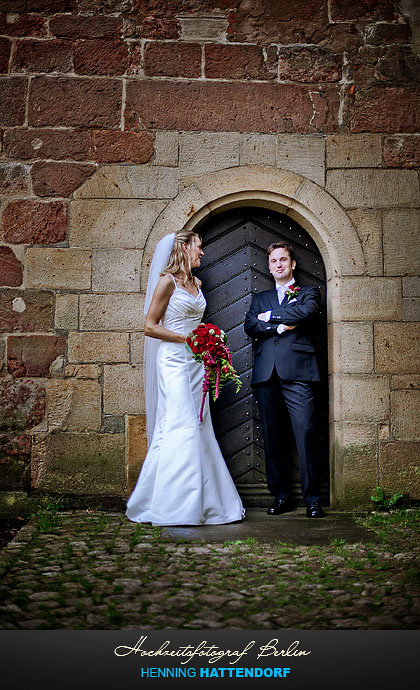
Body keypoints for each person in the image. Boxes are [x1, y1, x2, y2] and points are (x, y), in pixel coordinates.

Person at [126, 229, 245, 526]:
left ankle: (206, 503)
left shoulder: (198, 283)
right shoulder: (167, 282)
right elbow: (150, 327)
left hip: (196, 363)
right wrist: (187, 339)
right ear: (183, 248)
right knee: (182, 422)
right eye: (198, 247)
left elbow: (197, 323)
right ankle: (176, 505)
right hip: (173, 361)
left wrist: (207, 341)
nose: (202, 252)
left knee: (200, 424)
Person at [244, 241, 324, 518]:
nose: (278, 264)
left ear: (292, 264)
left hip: (299, 373)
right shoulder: (259, 298)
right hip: (267, 374)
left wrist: (271, 317)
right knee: (273, 438)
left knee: (305, 433)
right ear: (269, 267)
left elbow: (306, 313)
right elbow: (250, 325)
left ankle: (313, 499)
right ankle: (281, 496)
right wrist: (279, 325)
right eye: (273, 261)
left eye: (283, 260)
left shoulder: (308, 293)